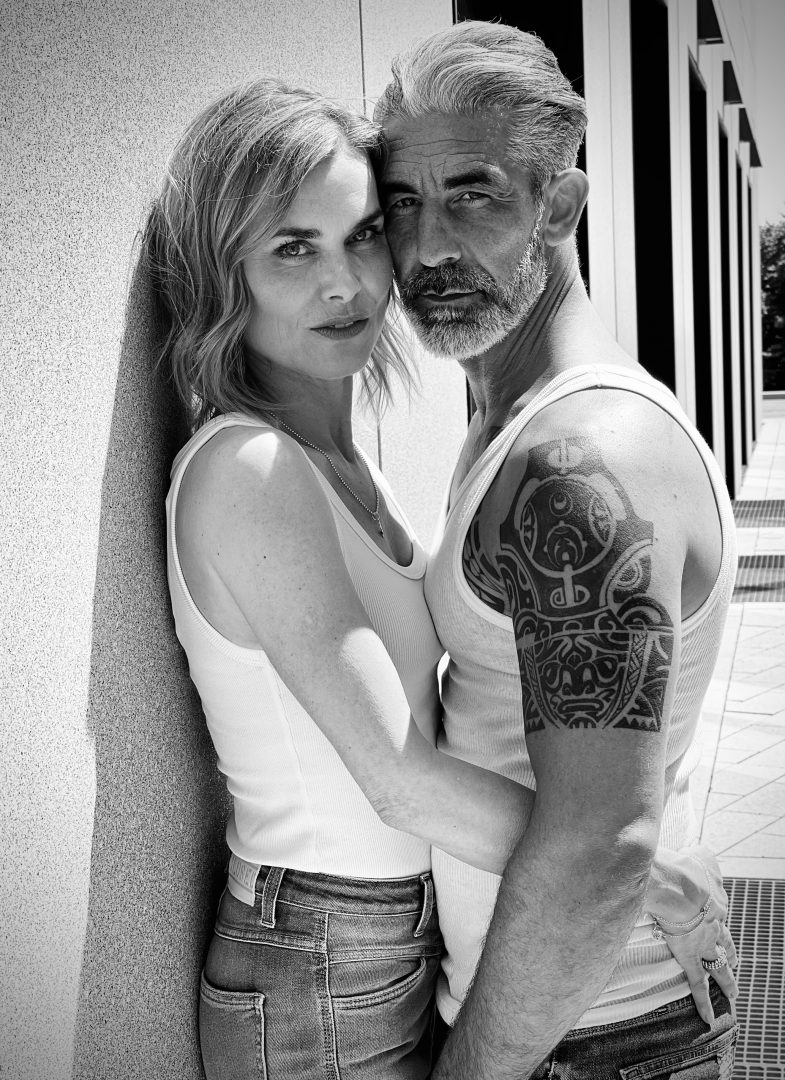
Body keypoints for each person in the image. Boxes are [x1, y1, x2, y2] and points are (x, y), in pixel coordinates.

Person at [145, 78, 733, 1080]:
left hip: (391, 948)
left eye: (362, 234)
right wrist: (642, 877)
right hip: (324, 954)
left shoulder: (346, 461)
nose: (351, 282)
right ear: (221, 271)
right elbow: (397, 777)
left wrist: (614, 858)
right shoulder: (250, 468)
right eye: (293, 249)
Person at [373, 19, 741, 1080]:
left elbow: (597, 845)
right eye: (402, 205)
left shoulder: (579, 462)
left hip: (591, 1041)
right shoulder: (513, 422)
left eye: (474, 196)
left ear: (561, 206)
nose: (428, 249)